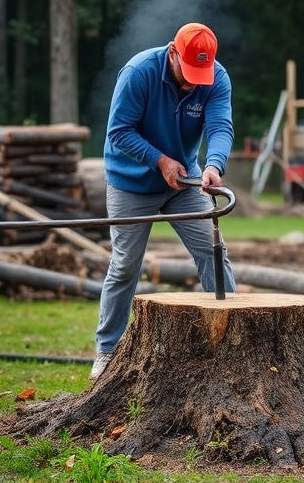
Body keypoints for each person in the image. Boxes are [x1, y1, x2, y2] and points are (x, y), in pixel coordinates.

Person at [90, 22, 236, 380]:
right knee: (125, 266)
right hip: (131, 183)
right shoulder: (139, 72)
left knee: (213, 252)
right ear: (173, 51)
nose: (191, 83)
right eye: (187, 73)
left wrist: (214, 165)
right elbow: (119, 132)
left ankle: (236, 346)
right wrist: (159, 159)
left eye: (199, 75)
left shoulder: (217, 78)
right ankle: (107, 351)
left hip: (184, 182)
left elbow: (220, 127)